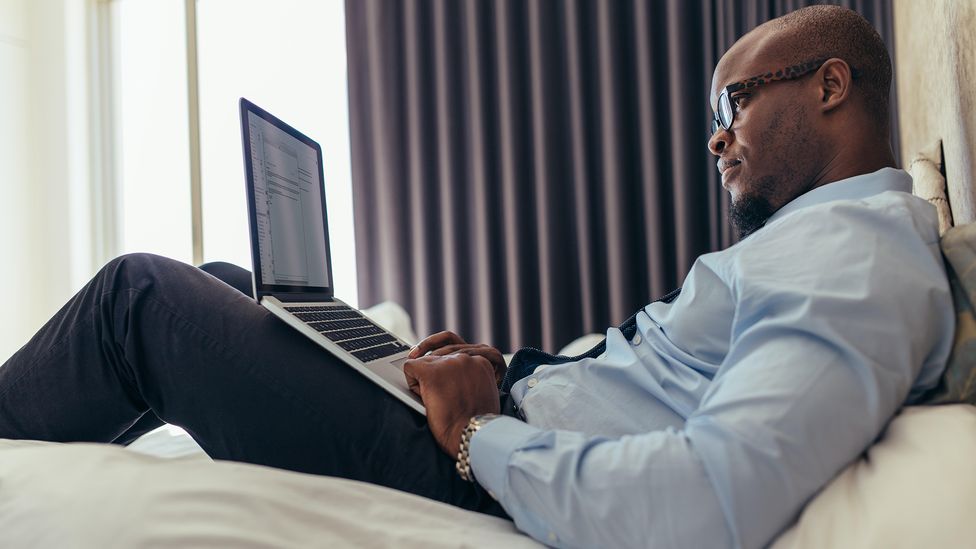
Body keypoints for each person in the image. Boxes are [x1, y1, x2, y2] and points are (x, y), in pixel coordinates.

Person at [0, 5, 954, 548]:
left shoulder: (857, 258)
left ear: (829, 87)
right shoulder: (829, 240)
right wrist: (518, 369)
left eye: (733, 101)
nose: (716, 134)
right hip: (501, 422)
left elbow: (716, 492)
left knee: (143, 300)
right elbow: (659, 386)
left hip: (479, 475)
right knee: (224, 281)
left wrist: (481, 433)